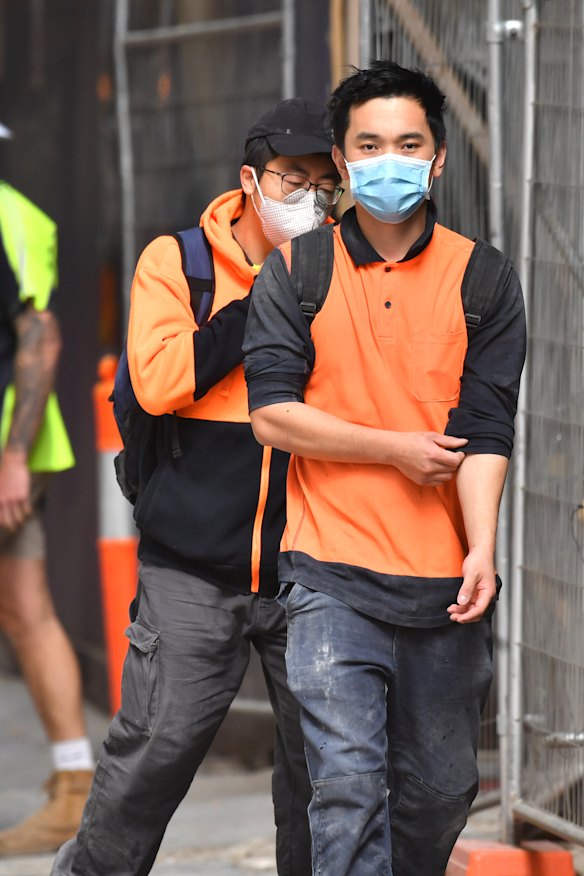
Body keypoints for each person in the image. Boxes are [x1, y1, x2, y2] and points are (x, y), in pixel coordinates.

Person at [243, 61, 526, 876]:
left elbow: (486, 428)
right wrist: (393, 448)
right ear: (342, 156)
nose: (389, 159)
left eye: (408, 143)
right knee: (346, 788)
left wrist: (481, 548)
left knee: (440, 790)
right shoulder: (297, 273)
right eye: (369, 145)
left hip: (443, 586)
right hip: (330, 576)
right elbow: (271, 415)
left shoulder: (483, 278)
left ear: (438, 158)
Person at [51, 98, 342, 876]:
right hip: (191, 567)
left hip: (313, 565)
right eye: (293, 178)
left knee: (322, 773)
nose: (311, 197)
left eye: (327, 182)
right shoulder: (177, 263)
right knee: (154, 753)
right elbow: (161, 382)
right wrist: (271, 298)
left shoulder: (348, 271)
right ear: (251, 181)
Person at [0, 122, 94, 856]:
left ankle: (74, 786)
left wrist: (14, 460)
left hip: (8, 451)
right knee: (25, 611)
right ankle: (72, 782)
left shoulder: (7, 215)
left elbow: (39, 336)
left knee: (28, 612)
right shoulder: (17, 212)